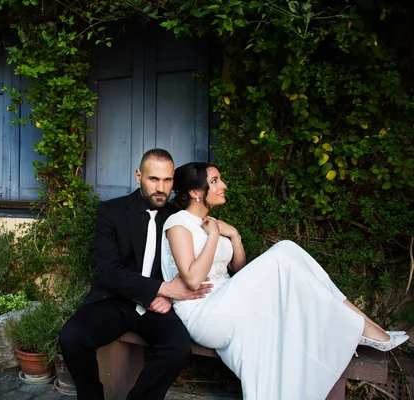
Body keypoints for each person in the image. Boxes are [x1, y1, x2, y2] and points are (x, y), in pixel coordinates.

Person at [161, 162, 409, 400]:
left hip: (228, 301)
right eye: (214, 181)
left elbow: (238, 269)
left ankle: (360, 323)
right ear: (195, 192)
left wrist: (234, 235)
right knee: (285, 251)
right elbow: (193, 279)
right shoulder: (178, 224)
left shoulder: (215, 224)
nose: (223, 185)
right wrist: (214, 235)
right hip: (204, 312)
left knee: (288, 252)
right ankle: (361, 325)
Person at [59, 149, 214, 400]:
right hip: (116, 300)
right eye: (154, 179)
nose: (161, 188)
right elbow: (108, 272)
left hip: (158, 307)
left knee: (178, 348)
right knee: (72, 337)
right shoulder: (111, 212)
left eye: (167, 180)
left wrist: (169, 297)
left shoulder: (179, 218)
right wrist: (163, 289)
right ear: (138, 176)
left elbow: (202, 234)